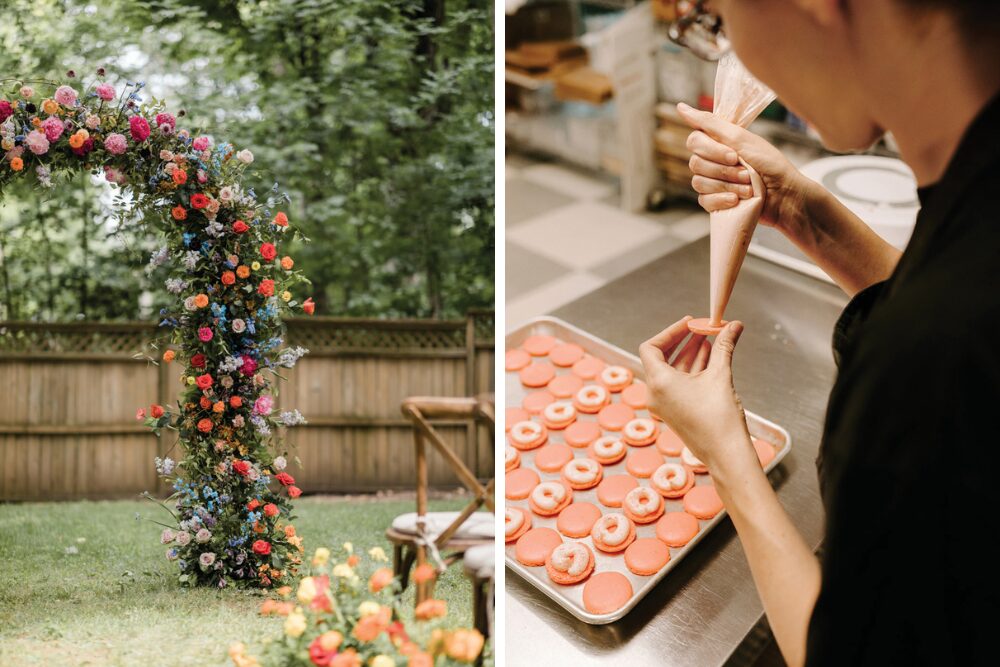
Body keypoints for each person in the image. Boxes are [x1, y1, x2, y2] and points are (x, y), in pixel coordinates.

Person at [640, 1, 1000, 665]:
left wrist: (724, 451)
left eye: (716, 18)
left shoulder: (925, 363)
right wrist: (801, 211)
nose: (730, 49)